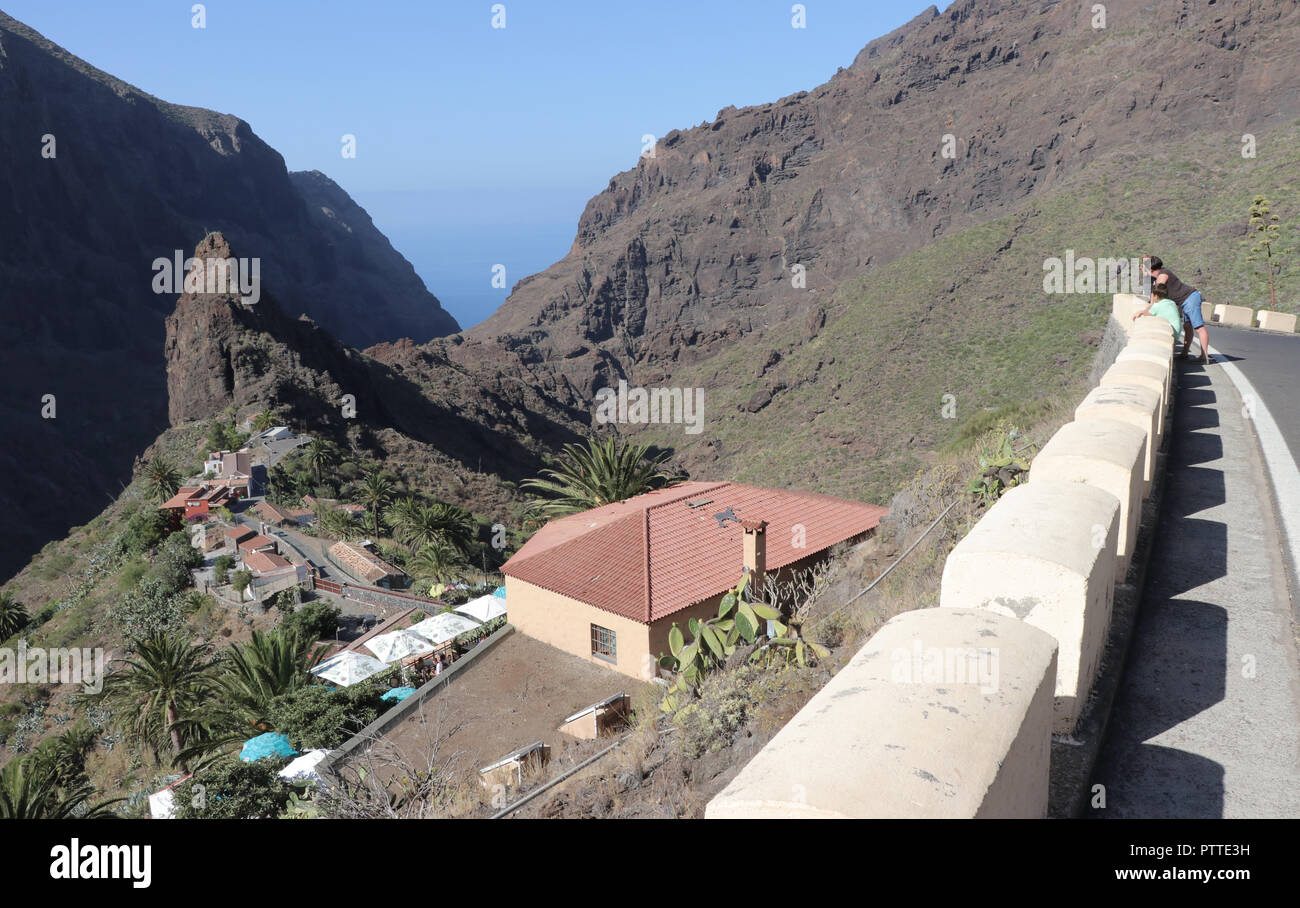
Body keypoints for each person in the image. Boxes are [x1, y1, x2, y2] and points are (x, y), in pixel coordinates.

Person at [1145, 255, 1209, 364]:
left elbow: (1157, 292)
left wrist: (1148, 308)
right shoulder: (1159, 275)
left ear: (1151, 269)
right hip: (1184, 301)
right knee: (1187, 326)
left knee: (1198, 327)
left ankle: (1204, 356)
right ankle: (1184, 354)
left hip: (1190, 298)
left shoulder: (1163, 275)